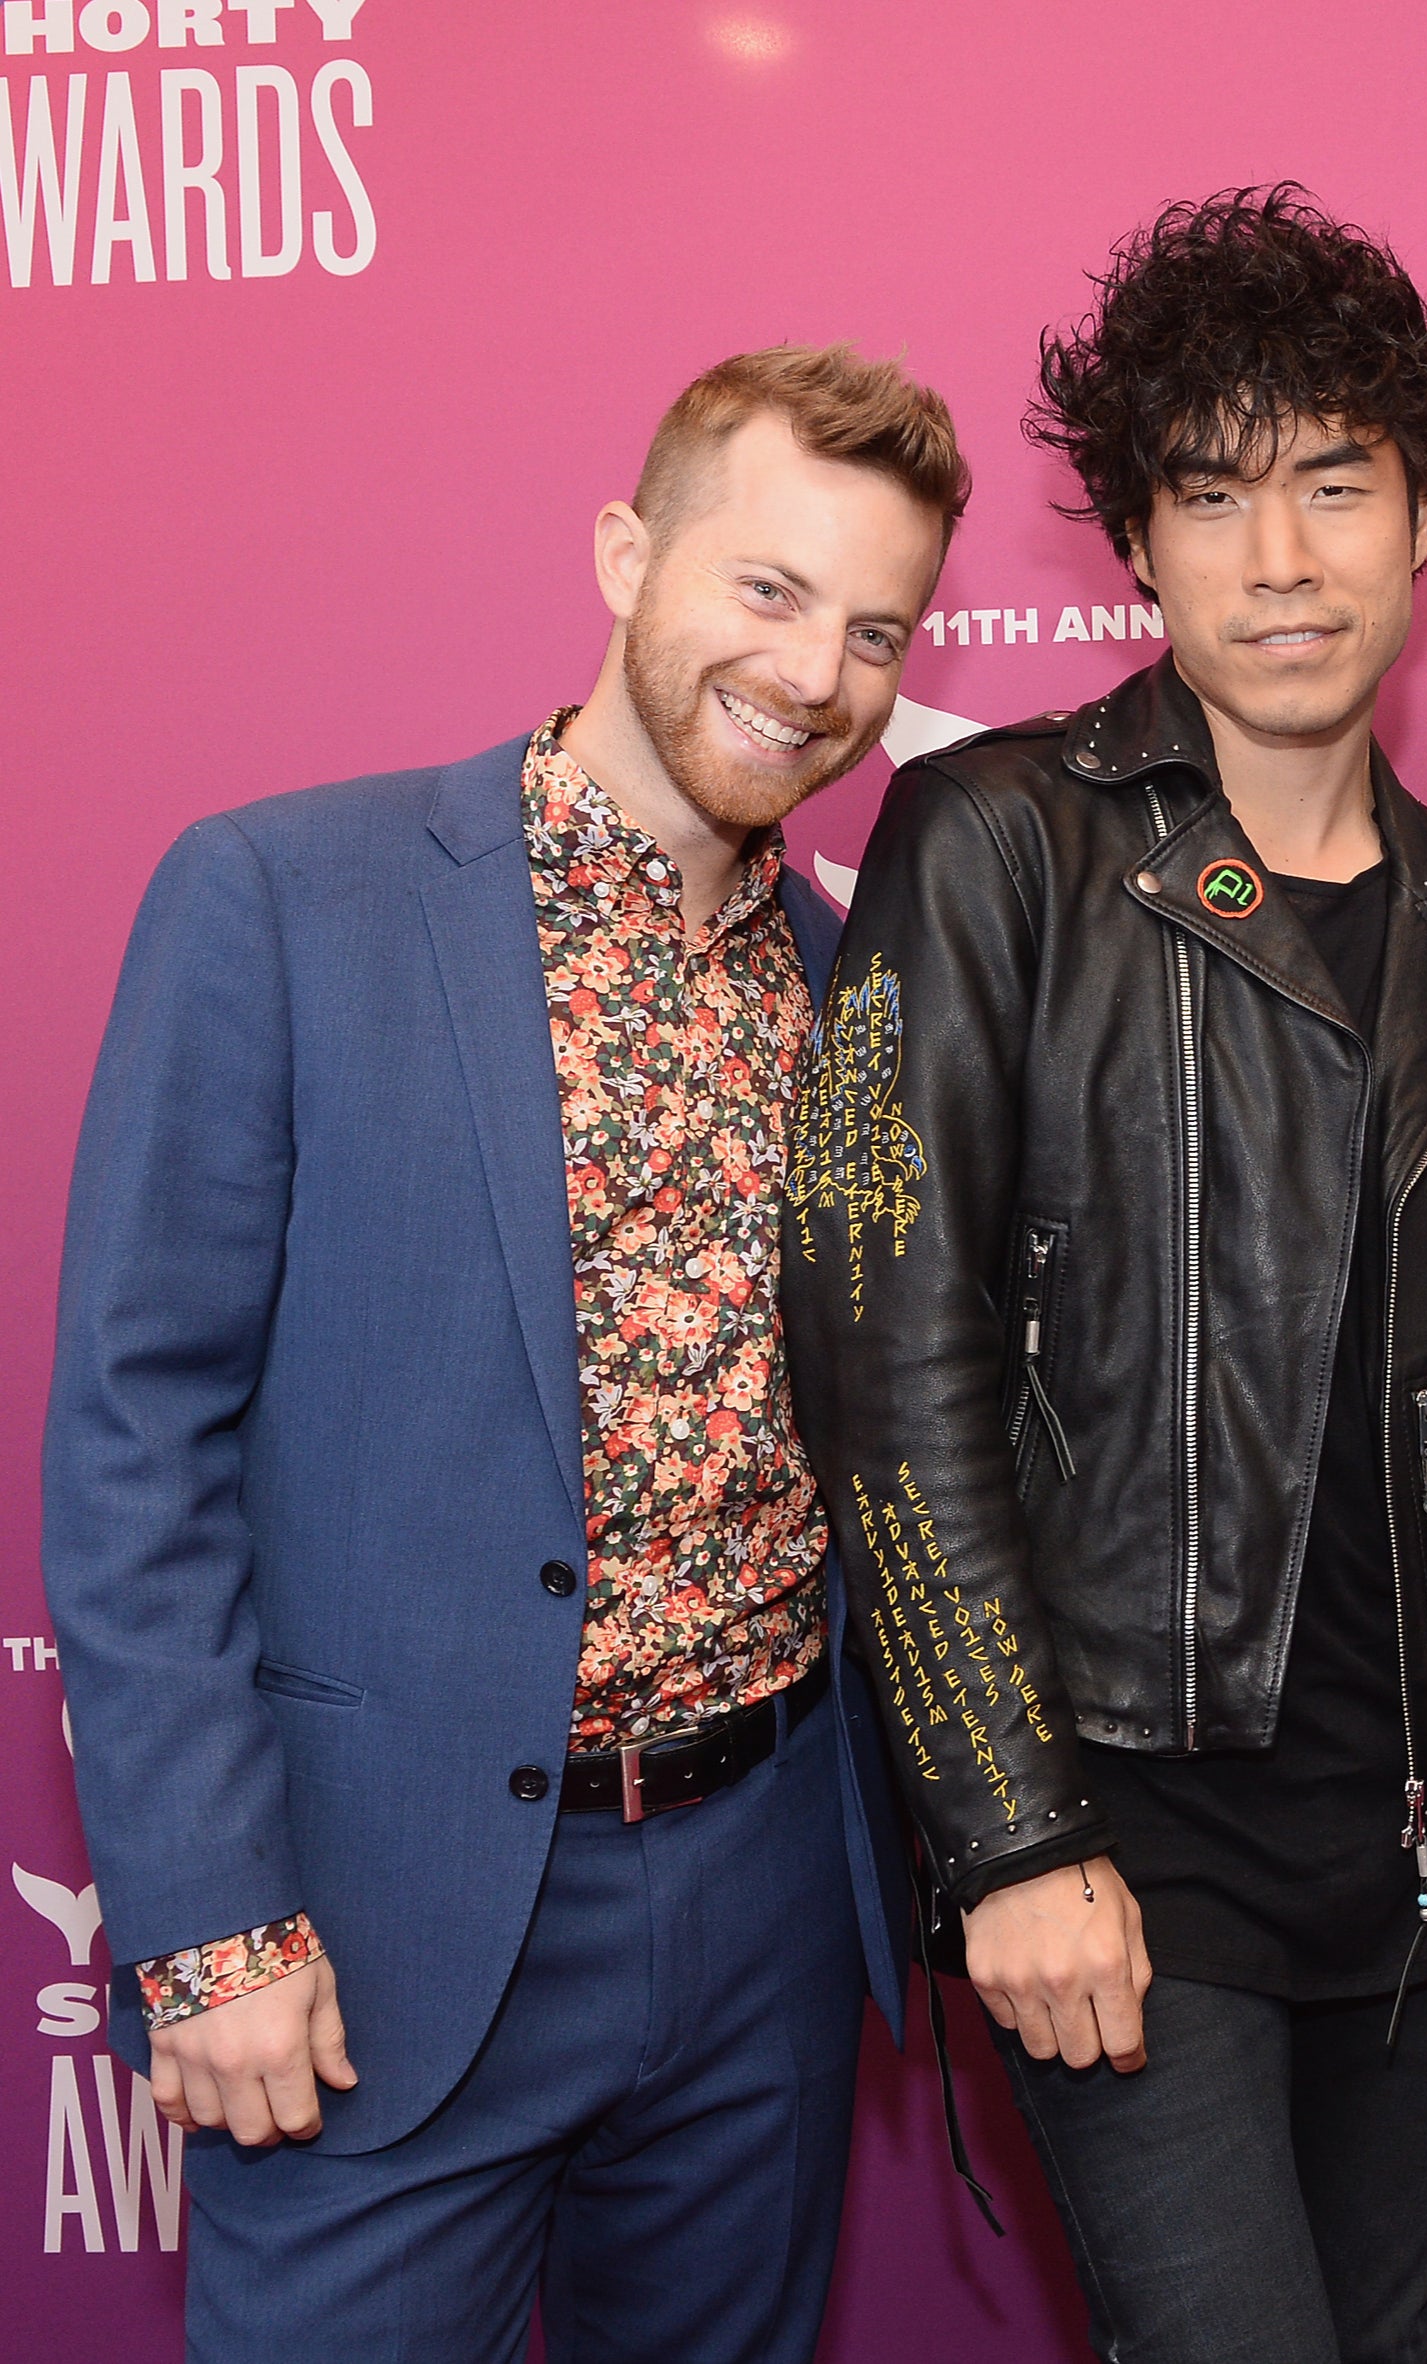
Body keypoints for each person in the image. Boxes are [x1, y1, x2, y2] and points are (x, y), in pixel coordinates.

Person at [44, 345, 961, 2358]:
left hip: (765, 1910)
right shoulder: (284, 899)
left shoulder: (851, 974)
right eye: (768, 588)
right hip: (383, 1926)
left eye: (874, 629)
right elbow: (135, 1439)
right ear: (628, 552)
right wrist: (210, 1925)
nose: (814, 672)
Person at [778, 188, 1427, 2364]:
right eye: (1214, 495)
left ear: (1423, 514)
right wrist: (1007, 1832)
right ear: (1134, 545)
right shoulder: (998, 849)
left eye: (1336, 484)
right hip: (1128, 1852)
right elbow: (888, 1365)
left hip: (1418, 1866)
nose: (1281, 555)